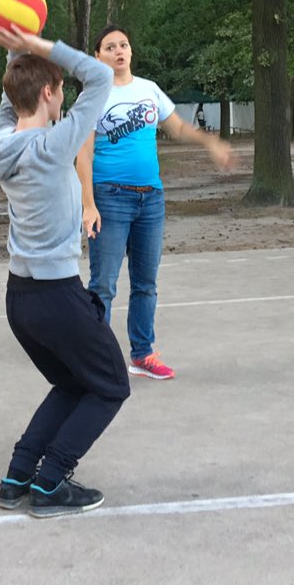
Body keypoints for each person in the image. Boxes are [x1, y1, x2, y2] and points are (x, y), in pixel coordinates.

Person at [0, 24, 131, 518]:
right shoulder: (54, 146)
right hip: (55, 296)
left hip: (20, 299)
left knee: (72, 382)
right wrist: (39, 46)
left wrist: (17, 54)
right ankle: (50, 483)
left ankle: (18, 476)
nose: (66, 98)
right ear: (48, 93)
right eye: (59, 91)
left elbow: (14, 102)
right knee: (111, 383)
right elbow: (99, 76)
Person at [76, 25, 234, 380]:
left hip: (151, 199)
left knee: (146, 283)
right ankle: (92, 359)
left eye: (124, 45)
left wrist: (210, 143)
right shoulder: (93, 96)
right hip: (110, 197)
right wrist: (88, 203)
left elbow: (177, 127)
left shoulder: (149, 90)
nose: (119, 51)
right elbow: (83, 154)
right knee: (103, 284)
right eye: (110, 46)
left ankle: (143, 354)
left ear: (131, 52)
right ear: (97, 56)